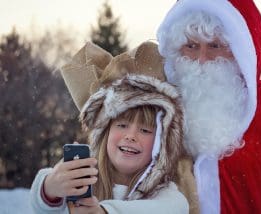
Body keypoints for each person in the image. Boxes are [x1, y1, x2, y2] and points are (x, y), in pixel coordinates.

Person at [156, 0, 261, 213]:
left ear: (240, 50)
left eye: (215, 46)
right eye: (191, 46)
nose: (202, 59)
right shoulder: (156, 109)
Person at [30, 41, 189, 214]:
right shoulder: (84, 181)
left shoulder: (169, 198)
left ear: (162, 144)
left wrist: (104, 212)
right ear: (105, 133)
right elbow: (42, 205)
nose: (130, 136)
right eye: (122, 125)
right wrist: (50, 188)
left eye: (145, 130)